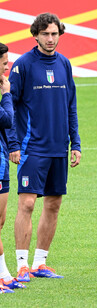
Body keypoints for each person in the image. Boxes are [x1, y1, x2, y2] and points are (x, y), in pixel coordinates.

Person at [7, 13, 81, 282]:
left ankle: (40, 263)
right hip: (31, 148)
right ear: (35, 35)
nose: (51, 39)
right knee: (26, 204)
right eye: (46, 34)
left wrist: (76, 143)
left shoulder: (65, 64)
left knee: (53, 204)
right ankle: (22, 265)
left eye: (55, 34)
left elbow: (70, 106)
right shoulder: (23, 65)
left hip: (59, 148)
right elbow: (9, 106)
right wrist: (13, 143)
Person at [0, 43, 24, 293]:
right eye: (4, 62)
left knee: (0, 221)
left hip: (1, 162)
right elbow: (6, 119)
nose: (8, 66)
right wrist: (7, 94)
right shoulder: (3, 91)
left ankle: (4, 274)